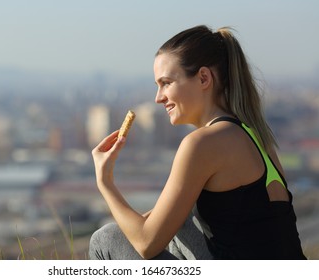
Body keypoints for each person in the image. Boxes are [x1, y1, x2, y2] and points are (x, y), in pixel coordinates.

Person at [89, 25, 306, 260]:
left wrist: (105, 181)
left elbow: (146, 242)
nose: (158, 97)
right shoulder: (258, 137)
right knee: (179, 226)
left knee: (106, 238)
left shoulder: (202, 144)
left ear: (204, 78)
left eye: (166, 83)